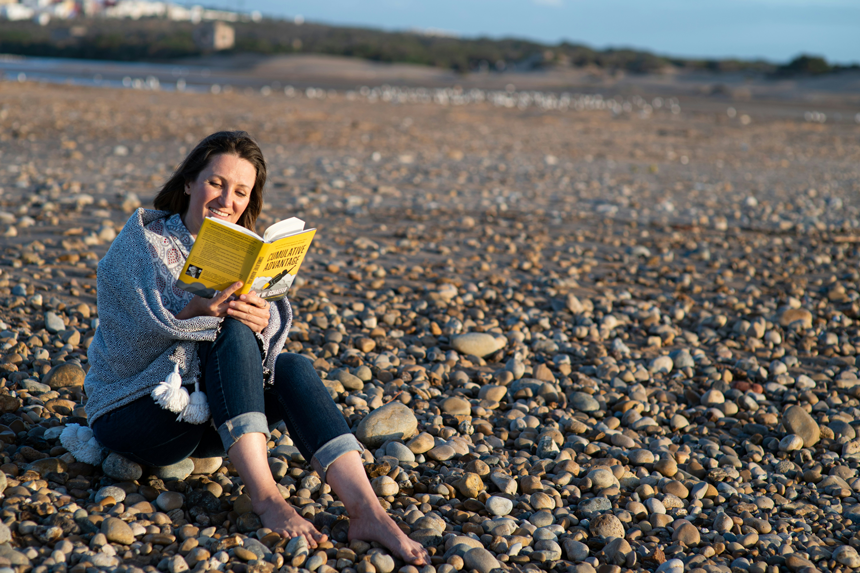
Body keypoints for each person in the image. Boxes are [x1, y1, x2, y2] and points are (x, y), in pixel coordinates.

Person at [80, 131, 427, 564]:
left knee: (293, 366)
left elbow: (261, 353)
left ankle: (368, 511)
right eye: (216, 183)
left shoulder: (246, 252)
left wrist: (262, 322)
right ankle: (267, 499)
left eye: (240, 191)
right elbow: (125, 341)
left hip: (207, 416)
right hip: (134, 411)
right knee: (229, 329)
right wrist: (198, 311)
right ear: (189, 182)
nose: (227, 200)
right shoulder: (139, 243)